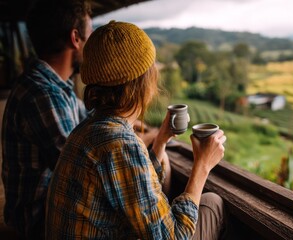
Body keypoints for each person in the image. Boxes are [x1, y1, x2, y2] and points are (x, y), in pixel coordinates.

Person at [45, 21, 228, 239]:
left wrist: (160, 141)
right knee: (213, 204)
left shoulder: (88, 129)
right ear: (141, 81)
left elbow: (134, 189)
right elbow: (173, 236)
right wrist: (202, 166)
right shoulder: (119, 143)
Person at [1, 0, 92, 239]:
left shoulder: (58, 87)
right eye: (90, 36)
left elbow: (89, 121)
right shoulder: (42, 93)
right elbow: (81, 172)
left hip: (54, 207)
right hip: (39, 223)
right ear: (75, 38)